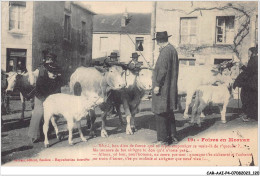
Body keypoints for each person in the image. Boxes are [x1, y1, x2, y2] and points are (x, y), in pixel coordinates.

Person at [152, 31, 179, 145]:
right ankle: (173, 137)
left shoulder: (165, 52)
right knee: (169, 112)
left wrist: (157, 84)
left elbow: (162, 70)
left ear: (159, 42)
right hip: (170, 88)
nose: (158, 45)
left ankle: (162, 140)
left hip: (163, 88)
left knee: (160, 112)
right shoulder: (172, 49)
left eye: (157, 42)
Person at [28, 62, 62, 143]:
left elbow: (58, 92)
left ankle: (48, 131)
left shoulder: (57, 81)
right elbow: (37, 92)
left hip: (51, 99)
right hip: (40, 97)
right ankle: (33, 135)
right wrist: (44, 100)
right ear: (48, 72)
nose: (54, 74)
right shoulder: (41, 79)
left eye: (56, 73)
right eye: (52, 72)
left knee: (56, 114)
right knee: (39, 113)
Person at [233, 46, 258, 122]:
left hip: (251, 83)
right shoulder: (255, 59)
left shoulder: (254, 59)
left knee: (246, 97)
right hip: (254, 82)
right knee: (251, 98)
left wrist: (242, 67)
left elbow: (250, 71)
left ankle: (248, 115)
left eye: (249, 52)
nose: (248, 53)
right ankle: (250, 114)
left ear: (253, 52)